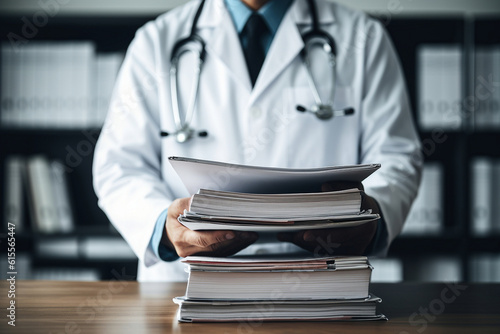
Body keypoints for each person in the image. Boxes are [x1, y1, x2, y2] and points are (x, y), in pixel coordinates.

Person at [93, 0, 422, 282]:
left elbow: (396, 156)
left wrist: (372, 217)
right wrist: (163, 228)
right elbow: (119, 167)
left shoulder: (363, 39)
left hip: (321, 284)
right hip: (185, 283)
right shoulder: (156, 42)